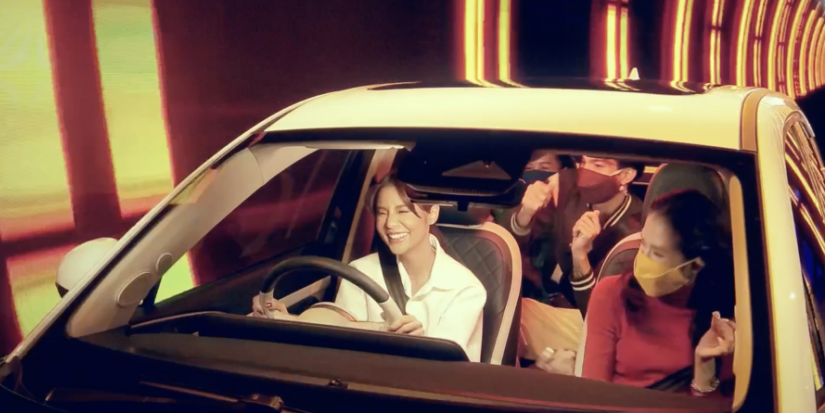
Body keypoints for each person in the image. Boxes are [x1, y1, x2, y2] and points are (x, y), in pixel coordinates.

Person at [252, 173, 487, 362]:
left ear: (432, 213)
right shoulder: (360, 271)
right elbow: (343, 335)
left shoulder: (465, 289)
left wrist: (420, 340)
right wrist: (288, 320)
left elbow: (446, 371)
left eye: (402, 211)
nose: (390, 223)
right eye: (382, 213)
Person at [581, 189, 736, 395]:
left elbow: (716, 409)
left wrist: (704, 369)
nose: (643, 258)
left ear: (694, 266)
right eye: (643, 244)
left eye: (657, 254)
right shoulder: (611, 293)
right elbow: (593, 394)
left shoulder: (722, 316)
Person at [500, 154, 644, 361]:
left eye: (598, 164)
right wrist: (526, 213)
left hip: (594, 325)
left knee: (517, 318)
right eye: (583, 162)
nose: (585, 171)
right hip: (550, 302)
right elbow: (511, 249)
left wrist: (580, 256)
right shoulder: (566, 188)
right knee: (507, 312)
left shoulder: (635, 232)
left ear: (626, 175)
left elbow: (601, 317)